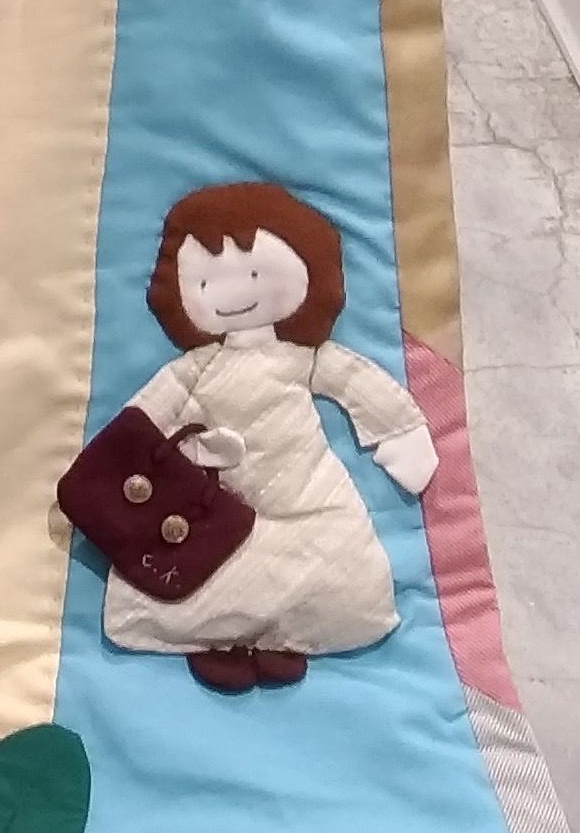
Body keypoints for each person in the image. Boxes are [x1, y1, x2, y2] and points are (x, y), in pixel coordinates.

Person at [88, 180, 436, 689]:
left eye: (255, 274)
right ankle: (215, 639)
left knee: (326, 550)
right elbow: (141, 422)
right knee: (204, 560)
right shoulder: (193, 370)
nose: (232, 293)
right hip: (212, 499)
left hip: (302, 487)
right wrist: (109, 474)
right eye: (206, 283)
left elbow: (356, 384)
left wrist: (399, 435)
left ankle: (288, 635)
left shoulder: (303, 359)